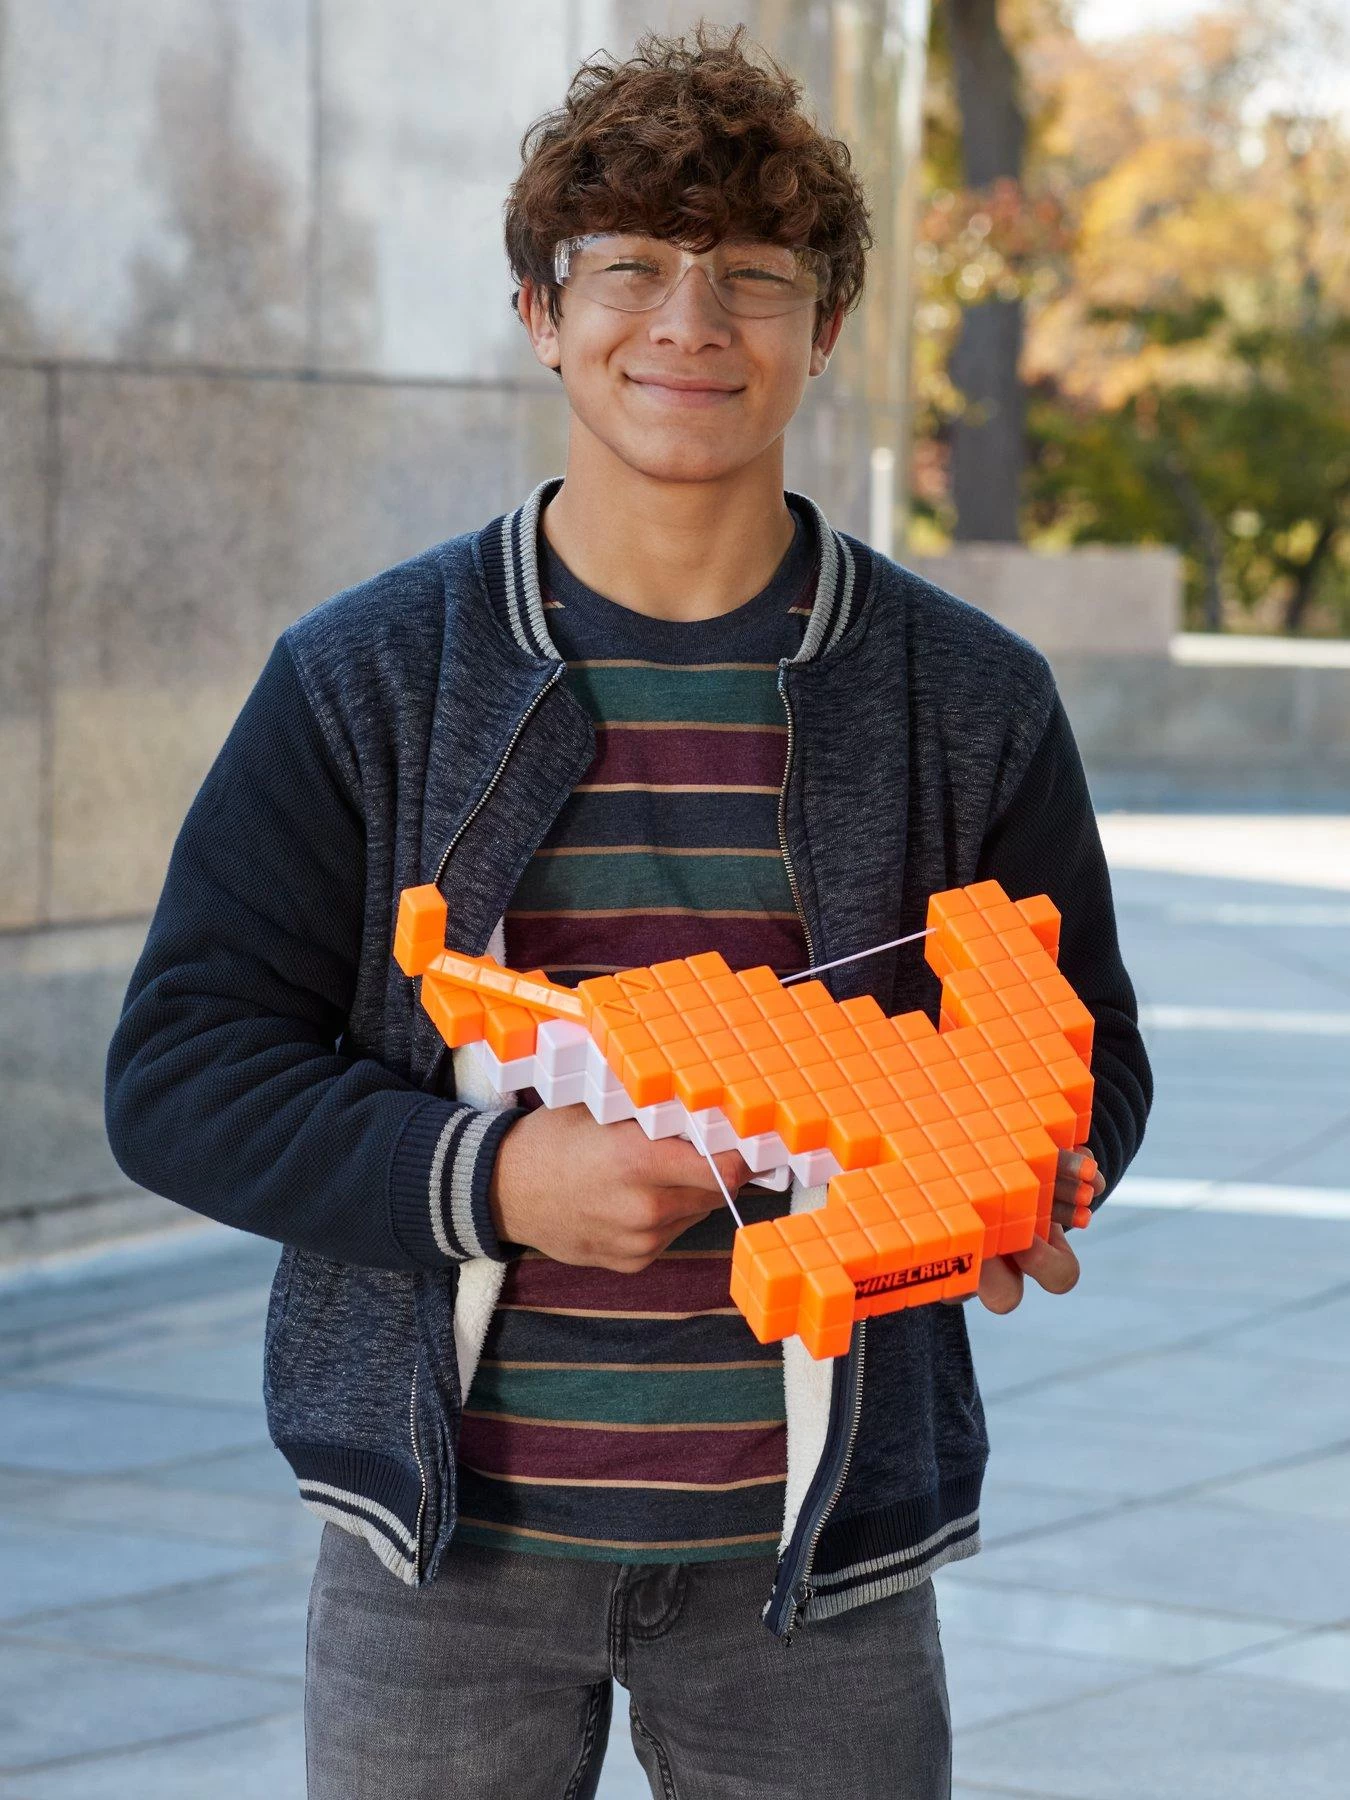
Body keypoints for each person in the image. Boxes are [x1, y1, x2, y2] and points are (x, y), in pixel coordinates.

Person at [105, 24, 1152, 1800]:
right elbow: (179, 1075)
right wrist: (498, 1180)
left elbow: (1091, 1052)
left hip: (817, 1568)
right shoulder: (366, 678)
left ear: (825, 328)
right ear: (541, 310)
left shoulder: (968, 697)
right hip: (441, 1566)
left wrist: (1035, 1175)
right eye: (631, 269)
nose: (690, 320)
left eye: (753, 275)